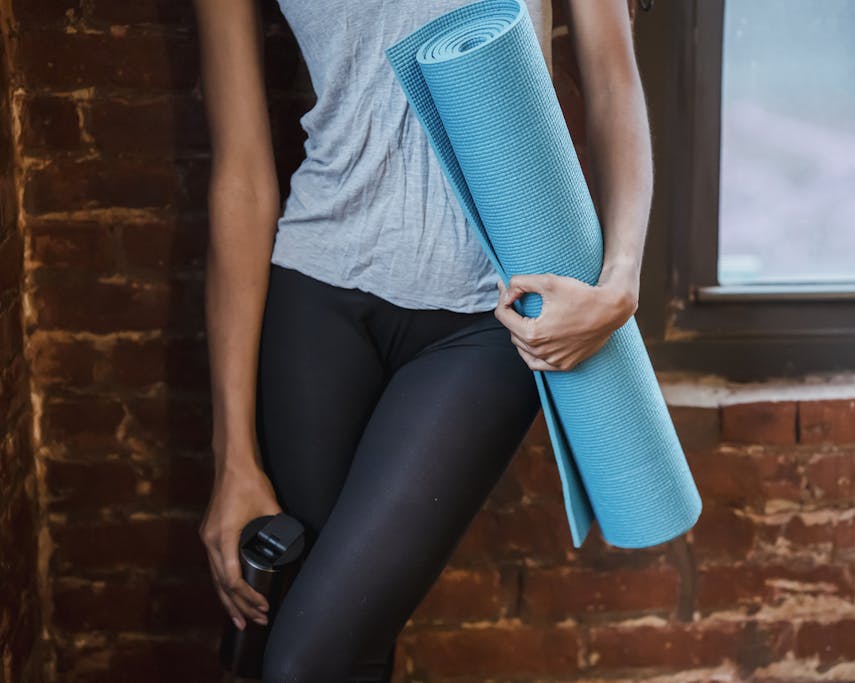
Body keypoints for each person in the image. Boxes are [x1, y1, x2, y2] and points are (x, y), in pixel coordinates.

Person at [192, 0, 653, 680]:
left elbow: (614, 80)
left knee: (304, 660)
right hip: (315, 297)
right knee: (349, 650)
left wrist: (620, 281)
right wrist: (233, 456)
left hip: (489, 314)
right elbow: (241, 174)